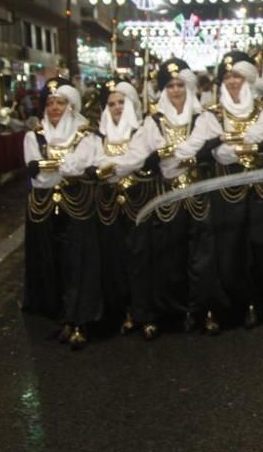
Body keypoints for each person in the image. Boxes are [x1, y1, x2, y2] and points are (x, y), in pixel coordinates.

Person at [174, 51, 263, 333]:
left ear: (248, 78)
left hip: (262, 187)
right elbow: (192, 145)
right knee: (231, 249)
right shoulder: (212, 115)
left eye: (238, 76)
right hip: (227, 190)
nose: (233, 81)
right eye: (228, 76)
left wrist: (262, 144)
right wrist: (170, 152)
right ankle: (241, 304)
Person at [111, 58, 204, 338]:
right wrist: (107, 167)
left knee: (202, 256)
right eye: (170, 85)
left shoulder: (203, 117)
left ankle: (202, 310)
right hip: (169, 199)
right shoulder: (153, 123)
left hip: (201, 196)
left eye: (180, 85)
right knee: (173, 256)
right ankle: (177, 310)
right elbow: (135, 156)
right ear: (164, 90)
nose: (176, 90)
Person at [23, 78, 104, 349]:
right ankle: (61, 317)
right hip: (46, 210)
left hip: (78, 207)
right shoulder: (34, 135)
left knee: (78, 261)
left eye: (60, 102)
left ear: (70, 106)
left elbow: (80, 167)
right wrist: (65, 167)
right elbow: (39, 179)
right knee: (52, 262)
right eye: (49, 103)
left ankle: (80, 317)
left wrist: (52, 166)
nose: (54, 107)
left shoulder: (86, 134)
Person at [94, 77, 152, 337]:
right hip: (110, 206)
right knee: (117, 259)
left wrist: (111, 167)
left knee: (143, 258)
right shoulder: (98, 136)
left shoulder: (141, 131)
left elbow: (137, 160)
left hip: (138, 202)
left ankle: (147, 313)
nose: (117, 107)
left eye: (121, 102)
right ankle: (126, 311)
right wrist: (113, 167)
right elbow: (96, 163)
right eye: (112, 103)